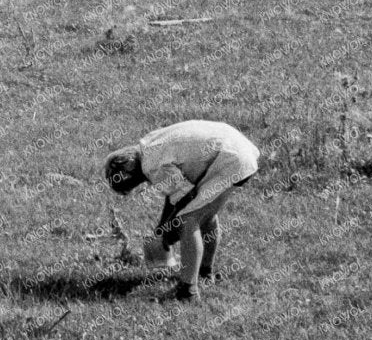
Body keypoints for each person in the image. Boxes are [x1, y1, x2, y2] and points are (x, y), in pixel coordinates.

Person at [105, 119, 260, 301]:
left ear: (133, 176)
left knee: (189, 219)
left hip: (229, 160)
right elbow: (175, 196)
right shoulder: (149, 143)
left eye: (133, 184)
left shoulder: (151, 166)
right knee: (206, 215)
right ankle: (204, 272)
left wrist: (168, 234)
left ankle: (188, 291)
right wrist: (161, 230)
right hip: (236, 147)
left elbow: (186, 196)